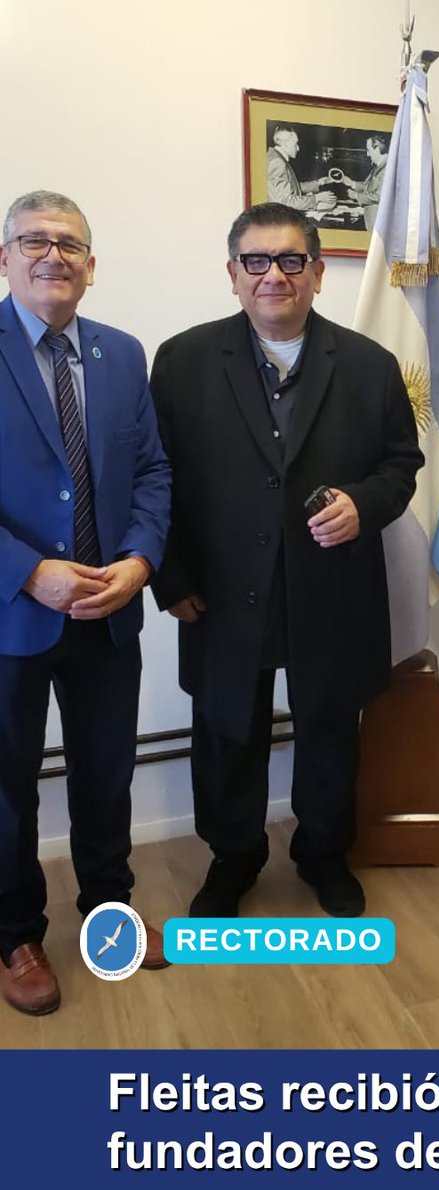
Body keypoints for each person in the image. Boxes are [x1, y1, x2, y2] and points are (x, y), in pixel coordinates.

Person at [150, 201, 423, 921]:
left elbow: (403, 463)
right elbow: (158, 475)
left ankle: (323, 853)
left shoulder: (369, 365)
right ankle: (232, 858)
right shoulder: (181, 360)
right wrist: (169, 575)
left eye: (291, 261)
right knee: (226, 730)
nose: (275, 275)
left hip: (330, 589)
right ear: (234, 275)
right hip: (216, 590)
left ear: (319, 273)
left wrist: (365, 504)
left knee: (331, 728)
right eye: (257, 261)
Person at [0, 190, 171, 1015]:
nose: (52, 255)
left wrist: (140, 560)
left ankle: (109, 908)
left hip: (110, 611)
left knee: (107, 774)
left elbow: (152, 474)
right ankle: (14, 935)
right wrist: (30, 572)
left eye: (69, 244)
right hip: (11, 615)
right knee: (8, 784)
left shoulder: (121, 355)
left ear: (91, 267)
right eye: (33, 241)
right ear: (5, 259)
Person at [266, 127, 338, 217]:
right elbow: (285, 202)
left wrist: (319, 183)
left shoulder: (276, 158)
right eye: (295, 144)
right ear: (285, 143)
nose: (298, 148)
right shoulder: (278, 162)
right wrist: (316, 198)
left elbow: (292, 187)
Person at [340, 135, 388, 231]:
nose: (368, 154)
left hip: (378, 224)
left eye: (368, 150)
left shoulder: (387, 168)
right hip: (371, 221)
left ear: (377, 148)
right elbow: (368, 186)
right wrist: (351, 183)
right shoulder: (378, 167)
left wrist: (356, 196)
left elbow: (379, 196)